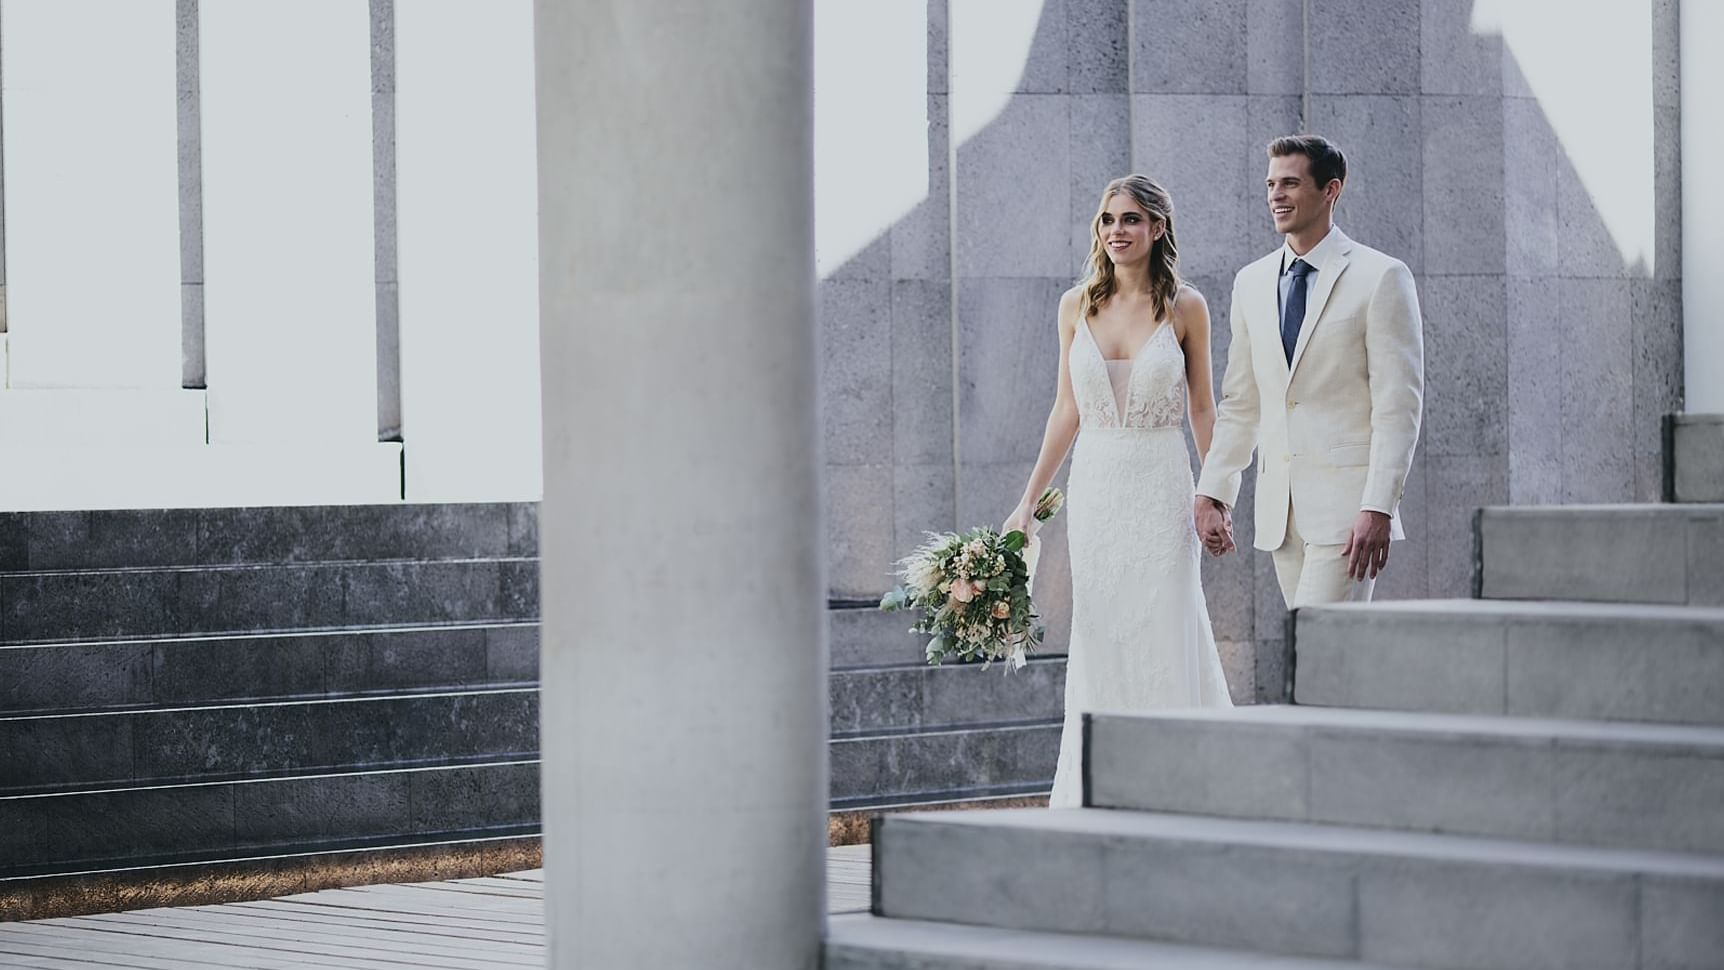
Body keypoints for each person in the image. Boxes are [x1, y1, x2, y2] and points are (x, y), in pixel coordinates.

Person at [1004, 174, 1233, 810]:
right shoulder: (1075, 306)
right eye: (1108, 221)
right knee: (1102, 633)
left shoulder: (1187, 307)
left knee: (1165, 623)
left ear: (1158, 228)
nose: (1116, 232)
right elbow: (1064, 410)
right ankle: (1100, 791)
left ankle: (1179, 789)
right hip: (1098, 489)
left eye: (1130, 220)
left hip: (1161, 484)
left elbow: (1203, 407)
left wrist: (1214, 493)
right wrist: (1028, 503)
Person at [1194, 135, 1425, 608]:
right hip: (1281, 515)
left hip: (1348, 514)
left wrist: (1378, 505)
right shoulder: (1251, 282)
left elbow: (1398, 406)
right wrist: (1214, 490)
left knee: (1323, 660)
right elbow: (1242, 403)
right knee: (1318, 659)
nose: (1276, 195)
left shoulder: (1381, 276)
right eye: (1271, 184)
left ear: (1330, 191)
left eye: (1291, 183)